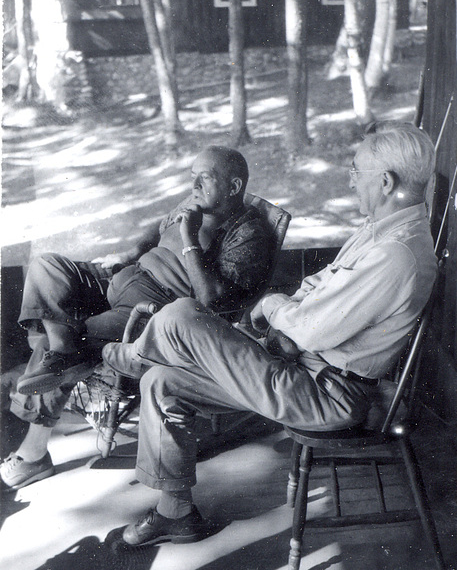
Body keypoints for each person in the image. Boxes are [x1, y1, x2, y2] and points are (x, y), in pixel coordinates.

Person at [100, 121, 439, 548]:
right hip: (298, 366)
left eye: (355, 171)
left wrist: (275, 305)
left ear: (386, 182)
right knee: (162, 383)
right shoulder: (382, 229)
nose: (350, 181)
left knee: (182, 312)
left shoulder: (395, 253)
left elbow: (311, 328)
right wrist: (287, 309)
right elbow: (316, 289)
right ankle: (177, 513)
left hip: (325, 394)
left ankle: (139, 353)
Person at [1, 146, 273, 490]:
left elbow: (212, 302)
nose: (194, 185)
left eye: (204, 178)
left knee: (81, 333)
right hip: (122, 279)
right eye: (192, 176)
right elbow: (158, 230)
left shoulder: (247, 233)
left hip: (152, 307)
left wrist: (190, 237)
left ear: (234, 187)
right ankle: (61, 347)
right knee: (46, 266)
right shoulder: (194, 203)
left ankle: (34, 452)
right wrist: (130, 254)